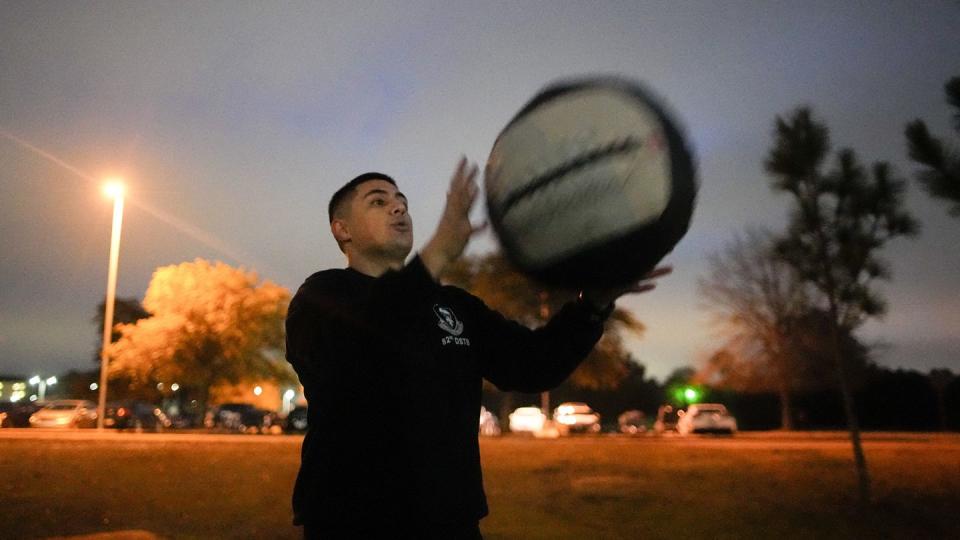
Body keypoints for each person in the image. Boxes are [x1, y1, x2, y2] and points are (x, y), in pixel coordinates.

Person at [285, 158, 669, 539]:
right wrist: (437, 253)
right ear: (343, 229)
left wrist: (592, 307)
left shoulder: (454, 306)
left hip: (451, 522)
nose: (399, 206)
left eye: (401, 199)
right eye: (378, 201)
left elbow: (533, 364)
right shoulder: (321, 297)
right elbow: (367, 341)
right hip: (351, 521)